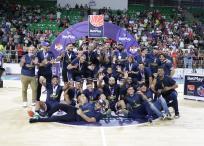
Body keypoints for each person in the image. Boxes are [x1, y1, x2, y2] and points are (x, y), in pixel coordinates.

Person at [29, 94, 106, 123]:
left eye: (99, 104)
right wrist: (79, 106)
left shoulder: (98, 114)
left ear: (101, 107)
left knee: (56, 118)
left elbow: (90, 120)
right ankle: (47, 114)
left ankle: (37, 120)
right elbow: (83, 106)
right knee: (59, 105)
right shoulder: (92, 104)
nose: (97, 104)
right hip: (74, 110)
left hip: (76, 117)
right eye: (97, 103)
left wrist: (81, 114)